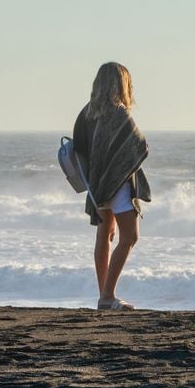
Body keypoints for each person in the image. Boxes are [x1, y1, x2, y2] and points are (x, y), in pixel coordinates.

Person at [72, 62, 151, 310]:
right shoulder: (118, 113)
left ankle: (104, 295)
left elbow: (79, 149)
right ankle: (108, 295)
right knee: (130, 237)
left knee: (104, 234)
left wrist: (97, 175)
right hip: (118, 182)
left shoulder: (86, 114)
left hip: (96, 184)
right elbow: (139, 145)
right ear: (122, 85)